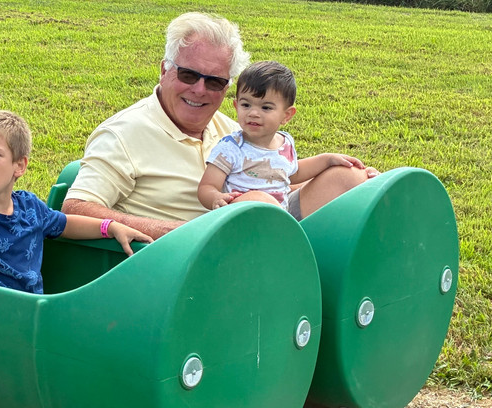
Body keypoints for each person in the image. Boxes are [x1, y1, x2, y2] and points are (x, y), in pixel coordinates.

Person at [62, 12, 371, 239]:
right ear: (164, 70)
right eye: (187, 75)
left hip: (252, 236)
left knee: (348, 178)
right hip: (188, 264)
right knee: (259, 207)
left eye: (214, 81)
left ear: (228, 88)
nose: (199, 89)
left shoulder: (230, 130)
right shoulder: (124, 134)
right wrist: (170, 232)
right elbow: (74, 208)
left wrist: (340, 177)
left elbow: (270, 183)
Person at [0, 109, 150, 312]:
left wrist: (109, 227)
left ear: (19, 165)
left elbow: (64, 224)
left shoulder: (30, 207)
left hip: (33, 313)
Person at [197, 60, 366, 216]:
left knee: (350, 175)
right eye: (246, 105)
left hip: (282, 219)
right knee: (257, 200)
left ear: (286, 115)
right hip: (243, 222)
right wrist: (216, 198)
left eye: (266, 107)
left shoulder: (284, 144)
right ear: (236, 106)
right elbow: (207, 186)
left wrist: (327, 160)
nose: (253, 113)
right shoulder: (231, 147)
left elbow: (293, 173)